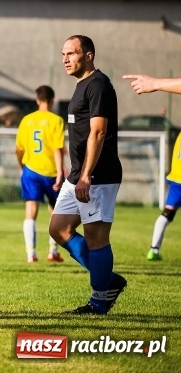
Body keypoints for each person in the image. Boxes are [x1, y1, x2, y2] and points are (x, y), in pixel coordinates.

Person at [49, 35, 126, 315]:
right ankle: (109, 280)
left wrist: (86, 175)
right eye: (63, 54)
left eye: (71, 53)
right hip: (77, 174)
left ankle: (99, 302)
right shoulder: (82, 85)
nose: (65, 59)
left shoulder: (98, 85)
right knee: (58, 228)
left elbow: (99, 132)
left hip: (97, 176)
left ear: (89, 55)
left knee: (96, 239)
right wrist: (77, 174)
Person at [123, 73, 181, 261]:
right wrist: (155, 83)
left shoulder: (179, 136)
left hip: (176, 181)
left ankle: (153, 249)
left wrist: (156, 83)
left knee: (167, 213)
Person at [15, 85, 66, 263]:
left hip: (30, 170)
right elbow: (58, 149)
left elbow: (18, 149)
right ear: (52, 100)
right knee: (55, 212)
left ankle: (31, 254)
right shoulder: (56, 120)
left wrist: (21, 167)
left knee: (31, 211)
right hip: (50, 171)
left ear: (37, 100)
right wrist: (60, 173)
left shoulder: (26, 120)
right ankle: (53, 252)